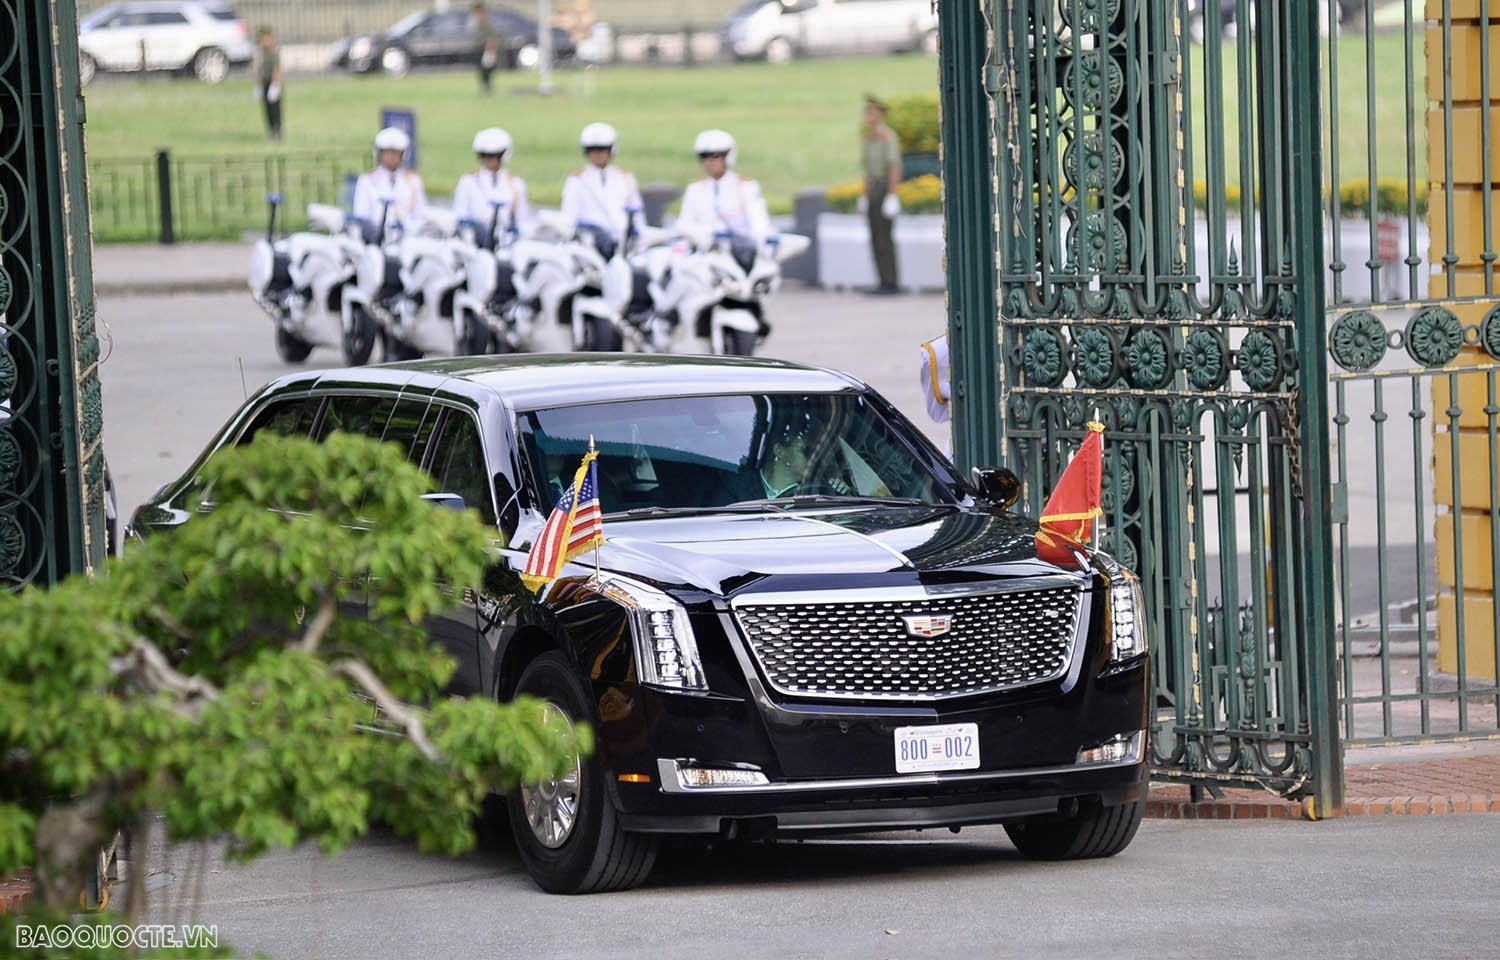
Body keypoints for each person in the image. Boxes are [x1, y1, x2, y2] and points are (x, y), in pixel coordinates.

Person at [676, 129, 772, 245]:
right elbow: (684, 223)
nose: (709, 162)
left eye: (715, 156)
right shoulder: (695, 188)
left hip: (737, 251)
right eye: (704, 156)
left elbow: (760, 225)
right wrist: (706, 233)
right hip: (704, 249)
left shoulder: (746, 187)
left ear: (728, 156)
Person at [560, 122, 644, 253]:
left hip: (622, 244)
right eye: (592, 149)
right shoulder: (576, 180)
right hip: (589, 244)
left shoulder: (625, 178)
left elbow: (637, 213)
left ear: (611, 150)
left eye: (602, 149)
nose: (597, 154)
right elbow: (568, 218)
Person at [452, 127, 530, 247]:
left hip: (505, 241)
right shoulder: (468, 181)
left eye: (494, 155)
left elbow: (522, 221)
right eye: (484, 155)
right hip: (474, 240)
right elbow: (459, 215)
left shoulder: (515, 184)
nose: (488, 160)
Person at [351, 127, 427, 242]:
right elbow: (361, 214)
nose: (391, 157)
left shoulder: (413, 180)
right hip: (375, 239)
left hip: (406, 238)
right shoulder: (367, 179)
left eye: (395, 153)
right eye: (387, 152)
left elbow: (420, 213)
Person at [861, 93, 903, 295]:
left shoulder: (888, 136)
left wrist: (892, 195)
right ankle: (882, 280)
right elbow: (867, 171)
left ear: (879, 114)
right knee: (875, 236)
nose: (867, 116)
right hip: (873, 189)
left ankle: (891, 282)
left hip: (884, 187)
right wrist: (864, 194)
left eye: (870, 112)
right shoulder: (869, 138)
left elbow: (894, 167)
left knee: (885, 238)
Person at [254, 26, 282, 141]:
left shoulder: (273, 53)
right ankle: (271, 131)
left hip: (273, 84)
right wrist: (259, 86)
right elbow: (260, 71)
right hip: (265, 84)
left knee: (275, 110)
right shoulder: (262, 54)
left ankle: (277, 131)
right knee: (267, 110)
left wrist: (275, 86)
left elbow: (276, 70)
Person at [473, 1, 499, 95]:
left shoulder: (485, 22)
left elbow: (491, 37)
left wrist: (489, 50)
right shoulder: (478, 21)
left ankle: (487, 88)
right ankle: (485, 87)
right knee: (482, 69)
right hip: (480, 48)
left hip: (486, 49)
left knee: (486, 69)